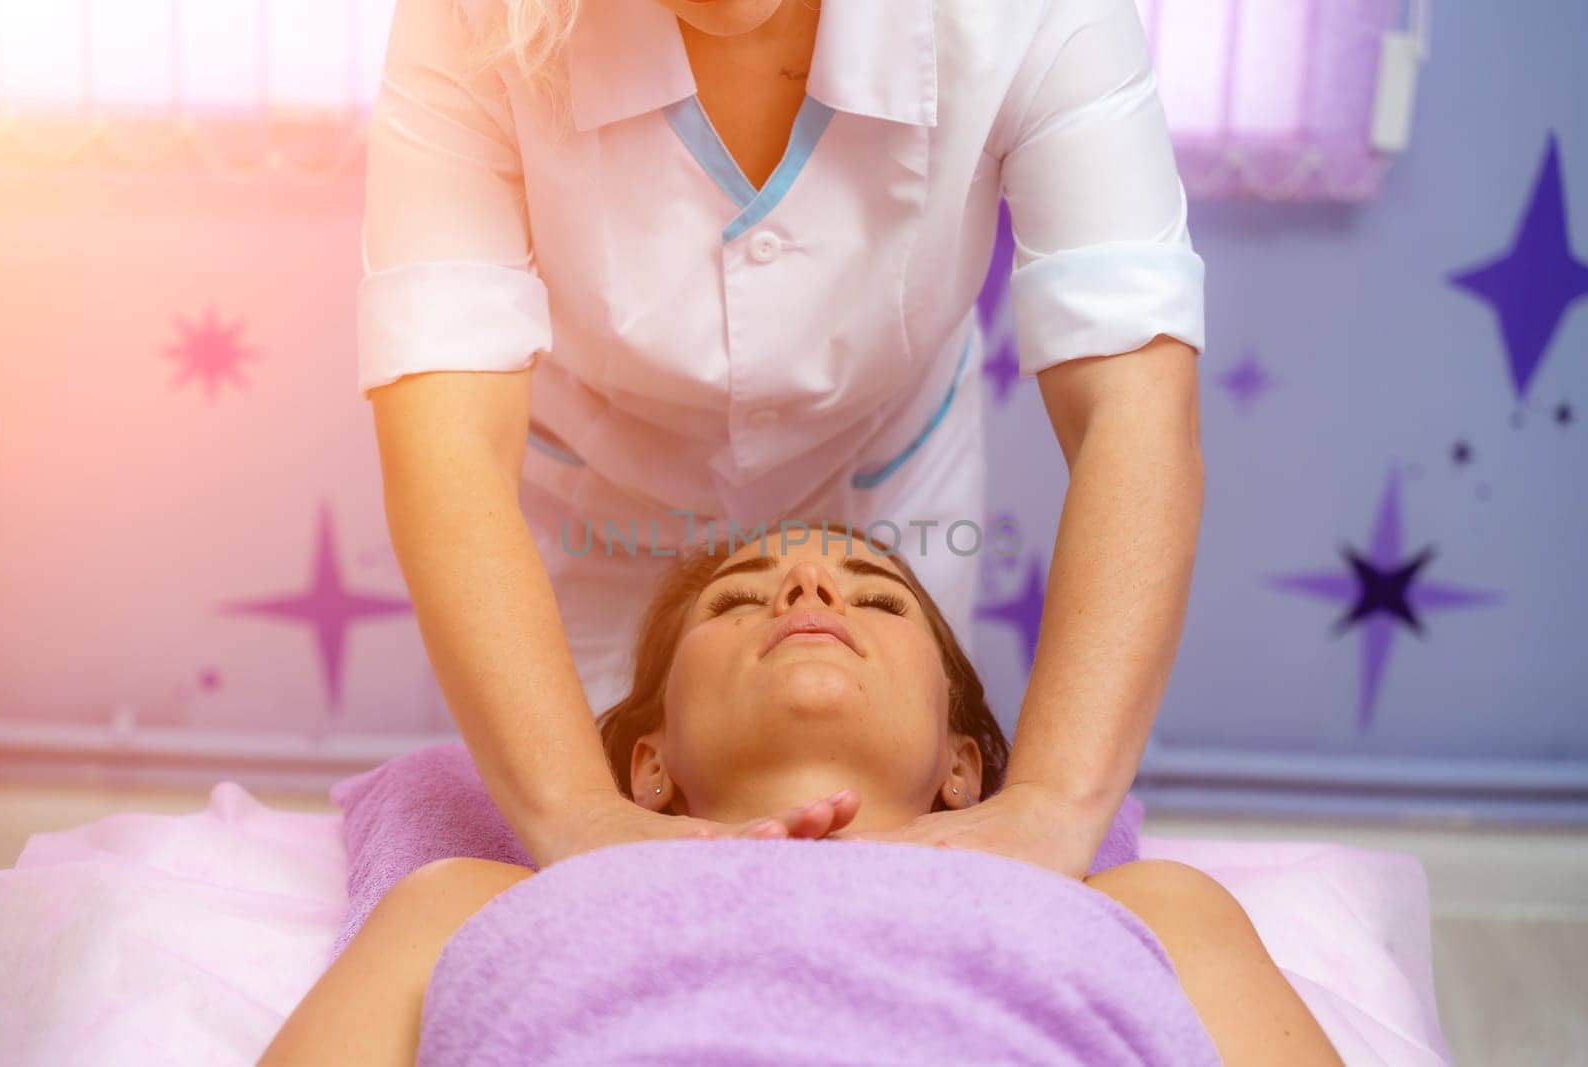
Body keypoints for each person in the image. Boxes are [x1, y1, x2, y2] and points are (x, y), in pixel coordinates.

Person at [361, 0, 1206, 879]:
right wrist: (574, 812)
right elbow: (446, 442)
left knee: (894, 816)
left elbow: (1135, 406)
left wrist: (1051, 808)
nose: (803, 587)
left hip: (884, 479)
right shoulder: (468, 20)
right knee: (577, 857)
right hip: (594, 505)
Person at [257, 526, 1338, 1066]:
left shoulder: (1150, 905)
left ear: (965, 765)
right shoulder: (460, 901)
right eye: (738, 598)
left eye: (875, 595)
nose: (809, 587)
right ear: (649, 765)